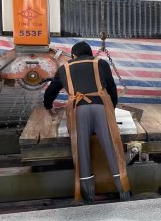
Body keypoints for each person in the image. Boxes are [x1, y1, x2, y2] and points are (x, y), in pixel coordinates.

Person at [44, 41, 131, 203]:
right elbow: (111, 88)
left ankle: (88, 197)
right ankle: (124, 193)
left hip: (78, 111)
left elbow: (51, 90)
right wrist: (111, 108)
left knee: (81, 152)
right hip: (101, 108)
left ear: (73, 55)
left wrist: (48, 105)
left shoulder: (64, 68)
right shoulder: (100, 63)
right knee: (113, 148)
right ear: (90, 54)